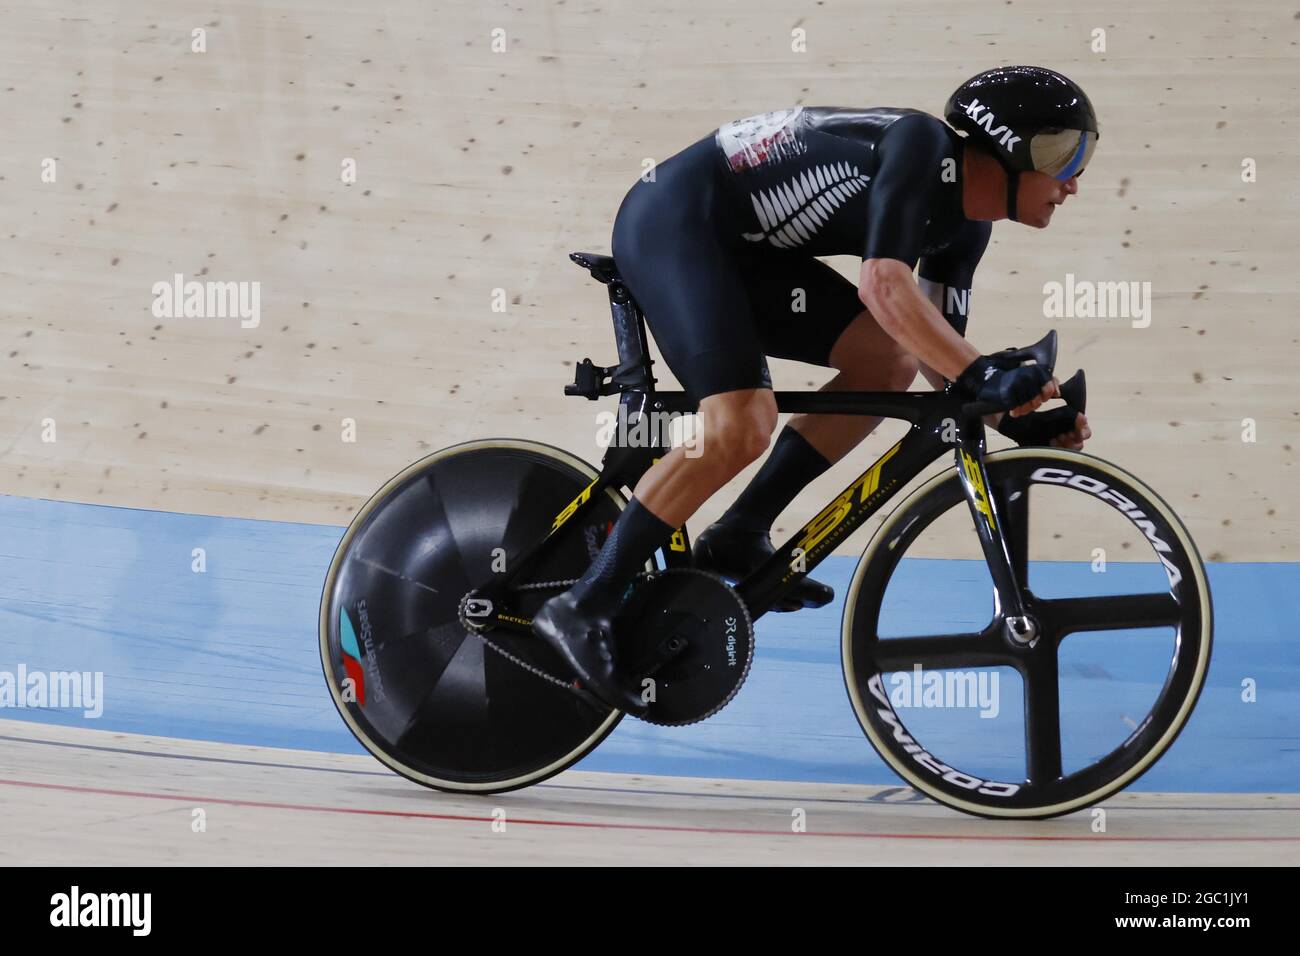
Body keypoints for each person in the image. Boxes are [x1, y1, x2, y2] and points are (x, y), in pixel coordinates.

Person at [534, 65, 1097, 712]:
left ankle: (739, 532)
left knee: (890, 362)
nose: (1073, 180)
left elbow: (942, 365)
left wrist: (1015, 419)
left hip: (744, 255)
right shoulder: (919, 145)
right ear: (1003, 144)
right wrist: (986, 375)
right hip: (675, 224)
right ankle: (584, 605)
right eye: (1062, 153)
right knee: (741, 421)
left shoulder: (967, 227)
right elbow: (884, 286)